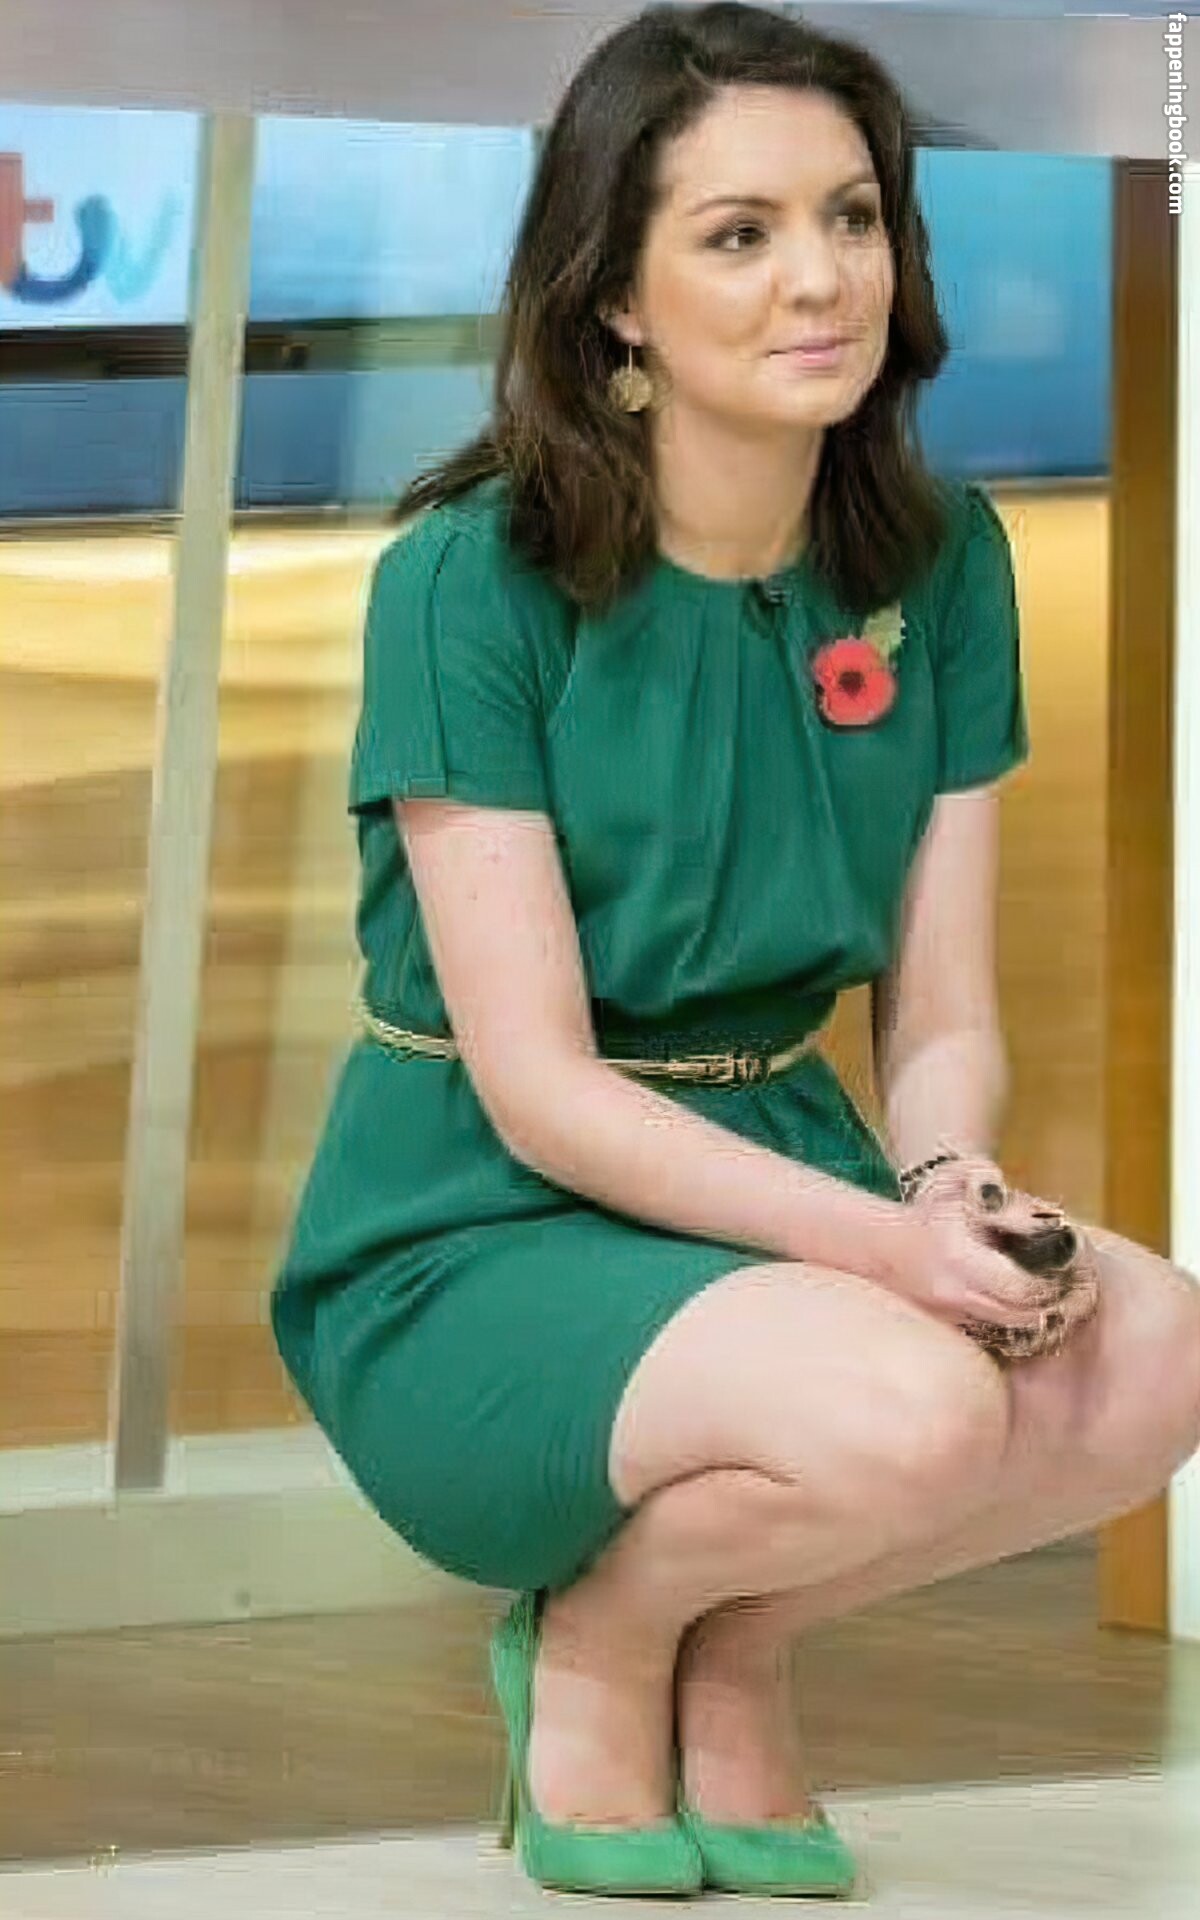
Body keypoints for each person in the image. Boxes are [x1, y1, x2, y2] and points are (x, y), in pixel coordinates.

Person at [270, 2, 1200, 1901]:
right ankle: (604, 1643)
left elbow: (939, 1007)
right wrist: (888, 1255)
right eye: (740, 233)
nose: (821, 279)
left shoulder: (944, 561)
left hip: (785, 1163)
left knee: (1157, 1356)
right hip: (480, 1217)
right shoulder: (468, 579)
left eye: (851, 218)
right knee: (918, 1404)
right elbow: (540, 1091)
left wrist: (948, 1186)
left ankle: (735, 1639)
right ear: (614, 294)